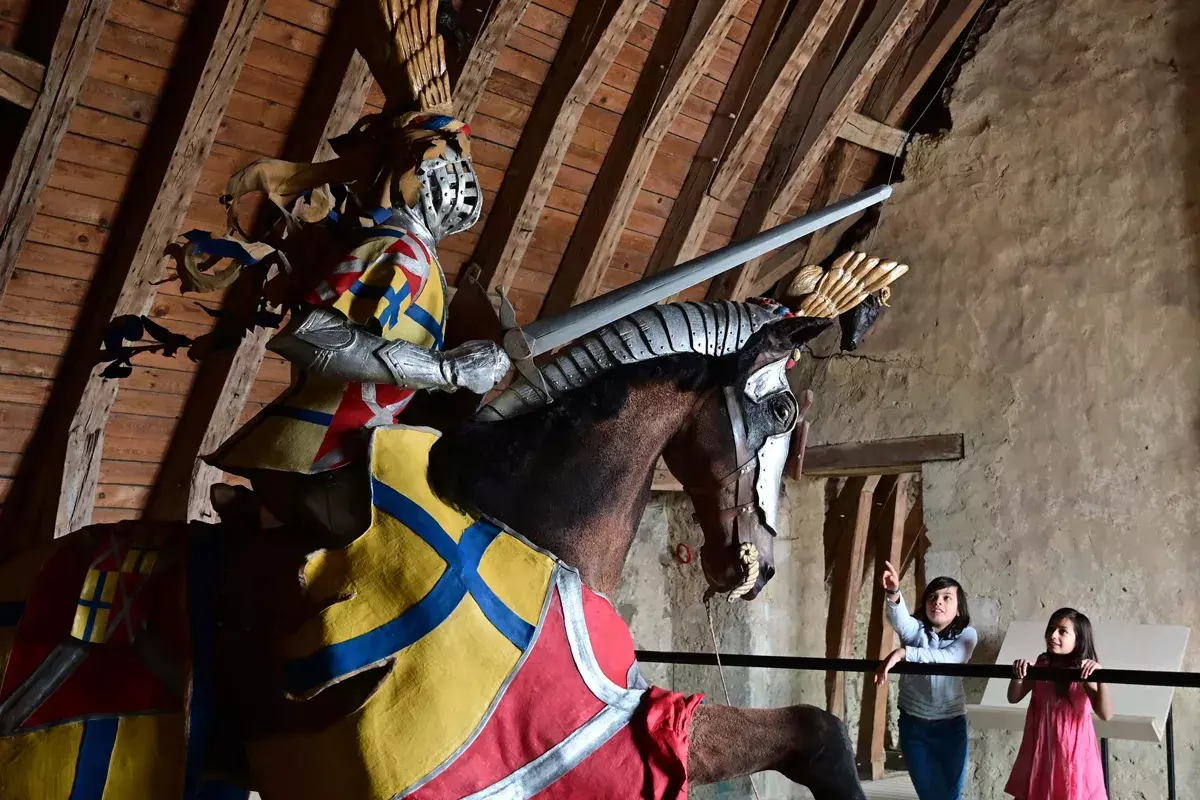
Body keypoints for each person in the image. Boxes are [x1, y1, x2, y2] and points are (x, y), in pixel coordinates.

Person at [874, 561, 978, 800]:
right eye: (932, 597)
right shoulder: (916, 631)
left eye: (946, 598)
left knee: (951, 794)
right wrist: (893, 591)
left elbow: (949, 659)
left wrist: (904, 653)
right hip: (915, 726)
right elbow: (900, 621)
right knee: (931, 794)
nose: (937, 602)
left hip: (951, 726)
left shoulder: (967, 635)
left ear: (959, 609)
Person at [1004, 608, 1112, 800]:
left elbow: (1105, 714)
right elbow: (1014, 697)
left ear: (1079, 639)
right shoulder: (1042, 664)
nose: (1053, 635)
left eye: (1063, 631)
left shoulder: (1083, 670)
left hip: (1071, 754)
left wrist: (1100, 677)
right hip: (1042, 751)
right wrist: (1018, 675)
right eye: (1051, 629)